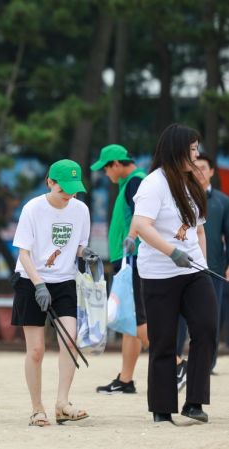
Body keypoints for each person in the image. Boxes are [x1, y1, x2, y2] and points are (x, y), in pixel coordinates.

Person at [132, 124, 217, 423]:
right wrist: (171, 252)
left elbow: (199, 230)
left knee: (206, 329)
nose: (196, 155)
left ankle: (194, 402)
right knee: (164, 340)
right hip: (159, 274)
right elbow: (142, 226)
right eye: (192, 149)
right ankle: (162, 409)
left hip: (194, 270)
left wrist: (202, 265)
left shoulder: (191, 182)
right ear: (177, 149)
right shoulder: (153, 184)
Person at [11, 159, 97, 427]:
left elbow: (79, 246)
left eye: (74, 190)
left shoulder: (81, 210)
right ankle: (37, 408)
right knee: (36, 350)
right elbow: (23, 252)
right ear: (50, 182)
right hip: (30, 280)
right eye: (64, 190)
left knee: (70, 342)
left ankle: (62, 403)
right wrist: (38, 284)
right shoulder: (33, 209)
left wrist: (87, 253)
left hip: (64, 281)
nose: (69, 196)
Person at [90, 144, 150, 394]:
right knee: (129, 319)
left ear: (115, 164)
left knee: (137, 319)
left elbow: (143, 219)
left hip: (132, 259)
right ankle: (125, 379)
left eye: (106, 168)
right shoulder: (131, 183)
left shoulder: (136, 183)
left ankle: (177, 362)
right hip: (128, 259)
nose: (106, 174)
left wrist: (133, 242)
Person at [174, 153, 229, 373]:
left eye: (203, 167)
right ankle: (176, 358)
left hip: (213, 268)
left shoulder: (223, 202)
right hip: (181, 266)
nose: (199, 171)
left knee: (209, 317)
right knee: (178, 317)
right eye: (195, 167)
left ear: (212, 171)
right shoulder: (180, 197)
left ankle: (208, 362)